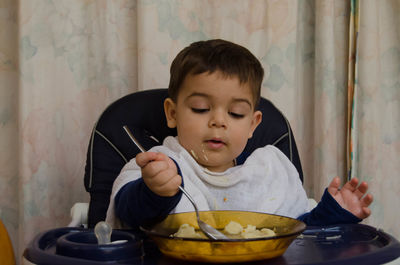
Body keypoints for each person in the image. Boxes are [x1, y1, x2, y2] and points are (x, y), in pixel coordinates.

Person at [105, 39, 373, 229]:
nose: (218, 121)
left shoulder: (268, 172)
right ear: (172, 113)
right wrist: (154, 191)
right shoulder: (159, 164)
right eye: (200, 108)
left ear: (253, 124)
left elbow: (296, 237)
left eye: (235, 113)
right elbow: (128, 213)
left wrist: (329, 216)